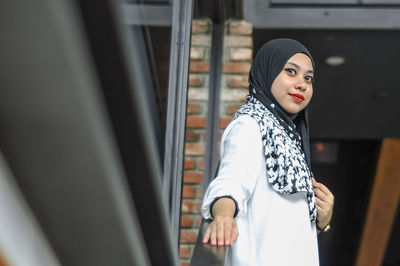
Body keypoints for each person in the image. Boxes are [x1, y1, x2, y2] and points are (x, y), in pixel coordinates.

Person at [201, 38, 334, 266]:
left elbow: (288, 235)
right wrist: (223, 216)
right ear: (268, 71)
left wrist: (323, 222)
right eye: (291, 71)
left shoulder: (292, 144)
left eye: (308, 78)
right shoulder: (251, 125)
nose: (302, 84)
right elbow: (231, 181)